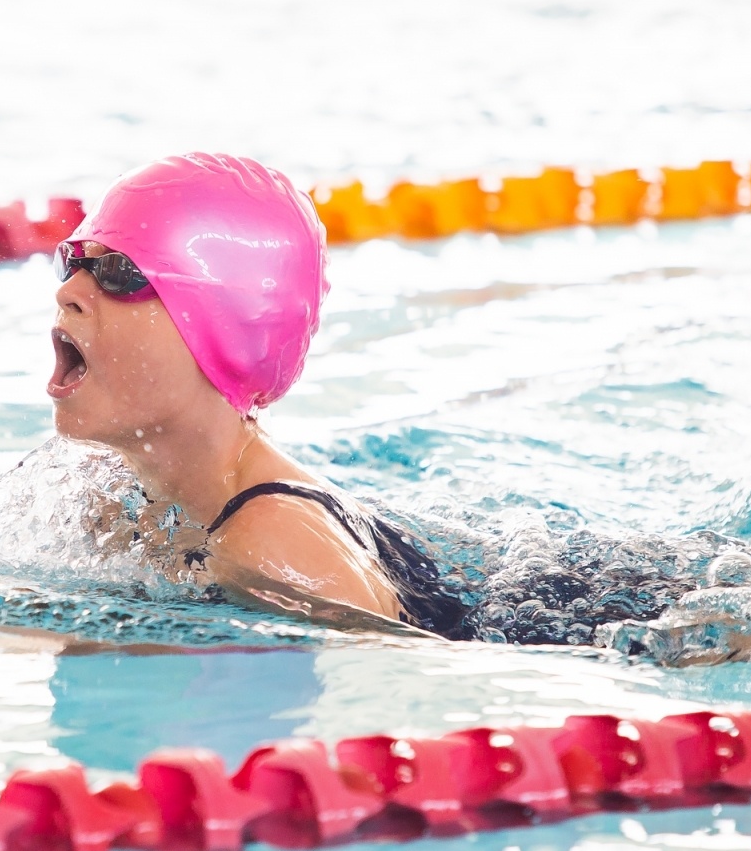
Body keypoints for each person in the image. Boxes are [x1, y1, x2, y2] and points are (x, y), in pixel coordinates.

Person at [44, 151, 470, 640]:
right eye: (74, 261)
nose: (69, 291)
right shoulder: (110, 498)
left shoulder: (269, 546)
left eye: (118, 273)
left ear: (227, 331)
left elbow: (396, 686)